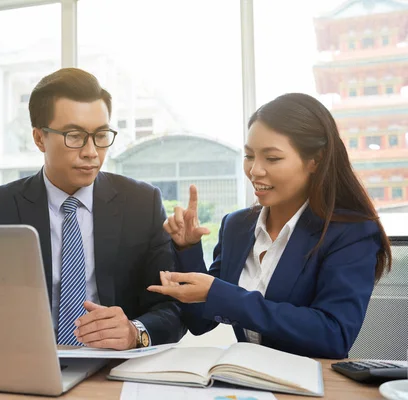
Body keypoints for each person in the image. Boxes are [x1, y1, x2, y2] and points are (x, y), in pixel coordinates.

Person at [0, 68, 185, 350]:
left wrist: (135, 331)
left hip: (112, 369)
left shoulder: (141, 203)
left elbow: (173, 308)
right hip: (27, 364)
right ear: (39, 138)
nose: (91, 152)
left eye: (101, 135)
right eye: (74, 136)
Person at [148, 93, 391, 359]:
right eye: (249, 156)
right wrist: (188, 248)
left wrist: (223, 295)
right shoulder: (236, 226)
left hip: (310, 385)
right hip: (246, 379)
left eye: (272, 158)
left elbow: (334, 335)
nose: (255, 171)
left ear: (315, 160)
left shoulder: (351, 233)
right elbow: (200, 323)